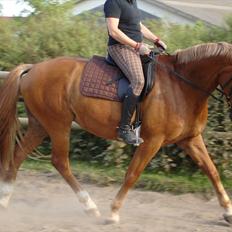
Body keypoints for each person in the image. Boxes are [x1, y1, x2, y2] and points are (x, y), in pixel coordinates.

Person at [104, 0, 167, 145]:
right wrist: (137, 46)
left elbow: (138, 26)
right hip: (120, 48)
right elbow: (113, 31)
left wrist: (156, 39)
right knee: (138, 81)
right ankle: (124, 129)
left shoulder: (132, 2)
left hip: (134, 47)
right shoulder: (113, 2)